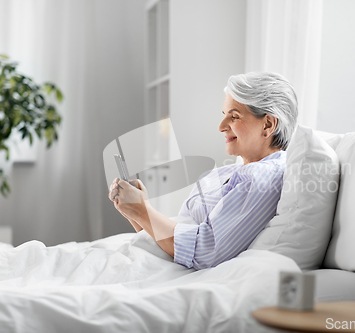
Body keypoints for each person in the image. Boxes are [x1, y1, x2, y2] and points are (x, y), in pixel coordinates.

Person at [108, 72, 298, 270]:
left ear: (268, 124)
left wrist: (143, 211)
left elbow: (203, 253)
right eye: (224, 115)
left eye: (234, 117)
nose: (221, 127)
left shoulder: (263, 177)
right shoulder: (222, 174)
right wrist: (135, 211)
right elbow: (170, 246)